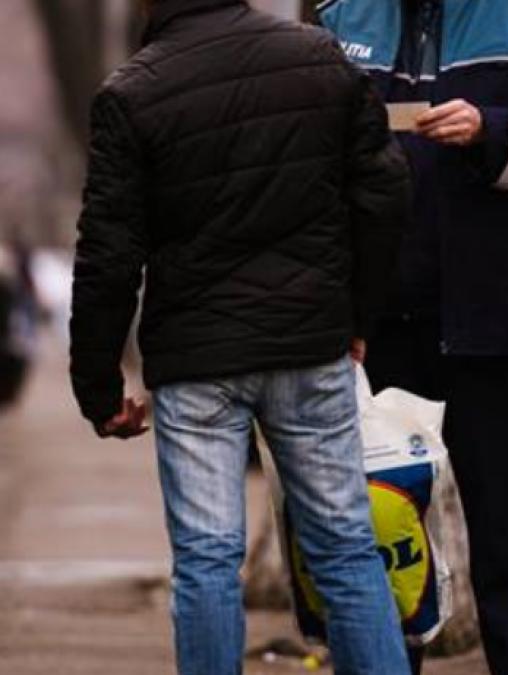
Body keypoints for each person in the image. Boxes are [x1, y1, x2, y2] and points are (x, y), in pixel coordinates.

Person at [68, 1, 413, 673]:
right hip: (310, 344)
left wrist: (99, 389)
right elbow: (385, 192)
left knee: (206, 561)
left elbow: (107, 255)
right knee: (345, 548)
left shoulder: (131, 93)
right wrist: (357, 317)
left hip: (198, 363)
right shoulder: (319, 59)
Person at [317, 1, 508, 673]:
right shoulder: (342, 15)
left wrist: (493, 130)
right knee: (378, 533)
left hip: (495, 321)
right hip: (376, 326)